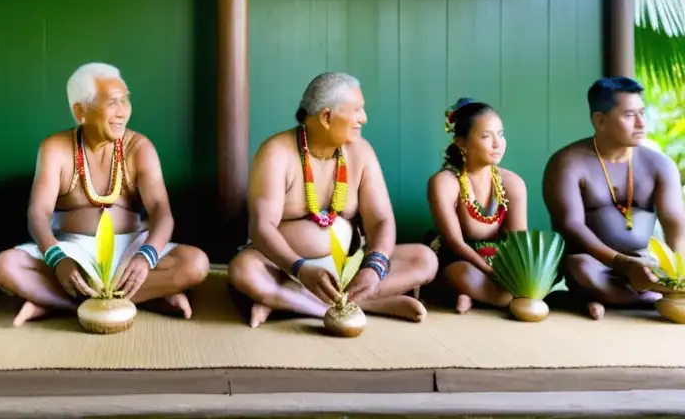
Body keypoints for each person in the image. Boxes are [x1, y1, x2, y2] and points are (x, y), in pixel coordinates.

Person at [0, 62, 210, 327]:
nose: (122, 112)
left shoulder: (139, 147)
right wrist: (57, 258)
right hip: (71, 249)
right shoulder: (55, 148)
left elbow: (162, 212)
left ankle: (53, 303)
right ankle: (140, 300)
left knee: (196, 263)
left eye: (125, 101)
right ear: (81, 111)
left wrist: (146, 256)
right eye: (112, 103)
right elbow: (38, 214)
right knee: (5, 266)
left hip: (130, 249)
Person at [227, 72, 438, 328]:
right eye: (357, 110)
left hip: (346, 270)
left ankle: (296, 303)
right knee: (243, 270)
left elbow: (381, 220)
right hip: (286, 267)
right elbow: (261, 227)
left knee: (424, 259)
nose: (364, 118)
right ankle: (354, 307)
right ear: (326, 117)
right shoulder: (276, 152)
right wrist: (300, 269)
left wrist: (374, 268)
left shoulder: (361, 152)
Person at [543, 76, 685, 320]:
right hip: (596, 264)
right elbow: (571, 226)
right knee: (580, 267)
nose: (641, 123)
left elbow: (676, 225)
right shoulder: (568, 163)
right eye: (629, 116)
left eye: (642, 113)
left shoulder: (659, 165)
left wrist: (677, 274)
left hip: (647, 262)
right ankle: (652, 299)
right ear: (600, 120)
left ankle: (607, 300)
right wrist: (625, 265)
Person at [425, 98, 527, 313]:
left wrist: (517, 272)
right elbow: (455, 243)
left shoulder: (512, 183)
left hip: (499, 262)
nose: (497, 144)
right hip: (459, 260)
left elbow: (517, 241)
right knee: (464, 274)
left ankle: (474, 296)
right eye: (486, 136)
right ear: (461, 143)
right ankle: (472, 293)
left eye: (501, 134)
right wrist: (490, 272)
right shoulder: (444, 182)